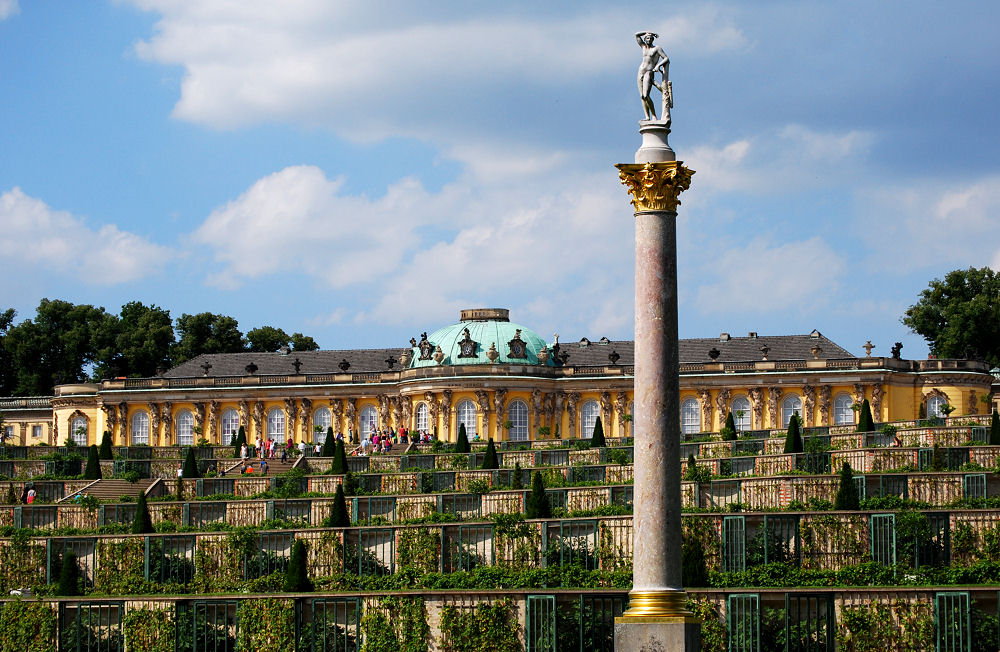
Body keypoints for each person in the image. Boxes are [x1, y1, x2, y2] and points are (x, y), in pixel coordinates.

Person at [635, 31, 670, 123]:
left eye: (650, 38)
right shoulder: (643, 47)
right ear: (645, 39)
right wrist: (650, 32)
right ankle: (647, 117)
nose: (649, 40)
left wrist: (658, 65)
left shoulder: (656, 48)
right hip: (640, 71)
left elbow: (666, 58)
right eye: (647, 38)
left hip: (649, 72)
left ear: (652, 39)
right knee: (642, 96)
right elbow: (637, 35)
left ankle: (654, 116)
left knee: (646, 95)